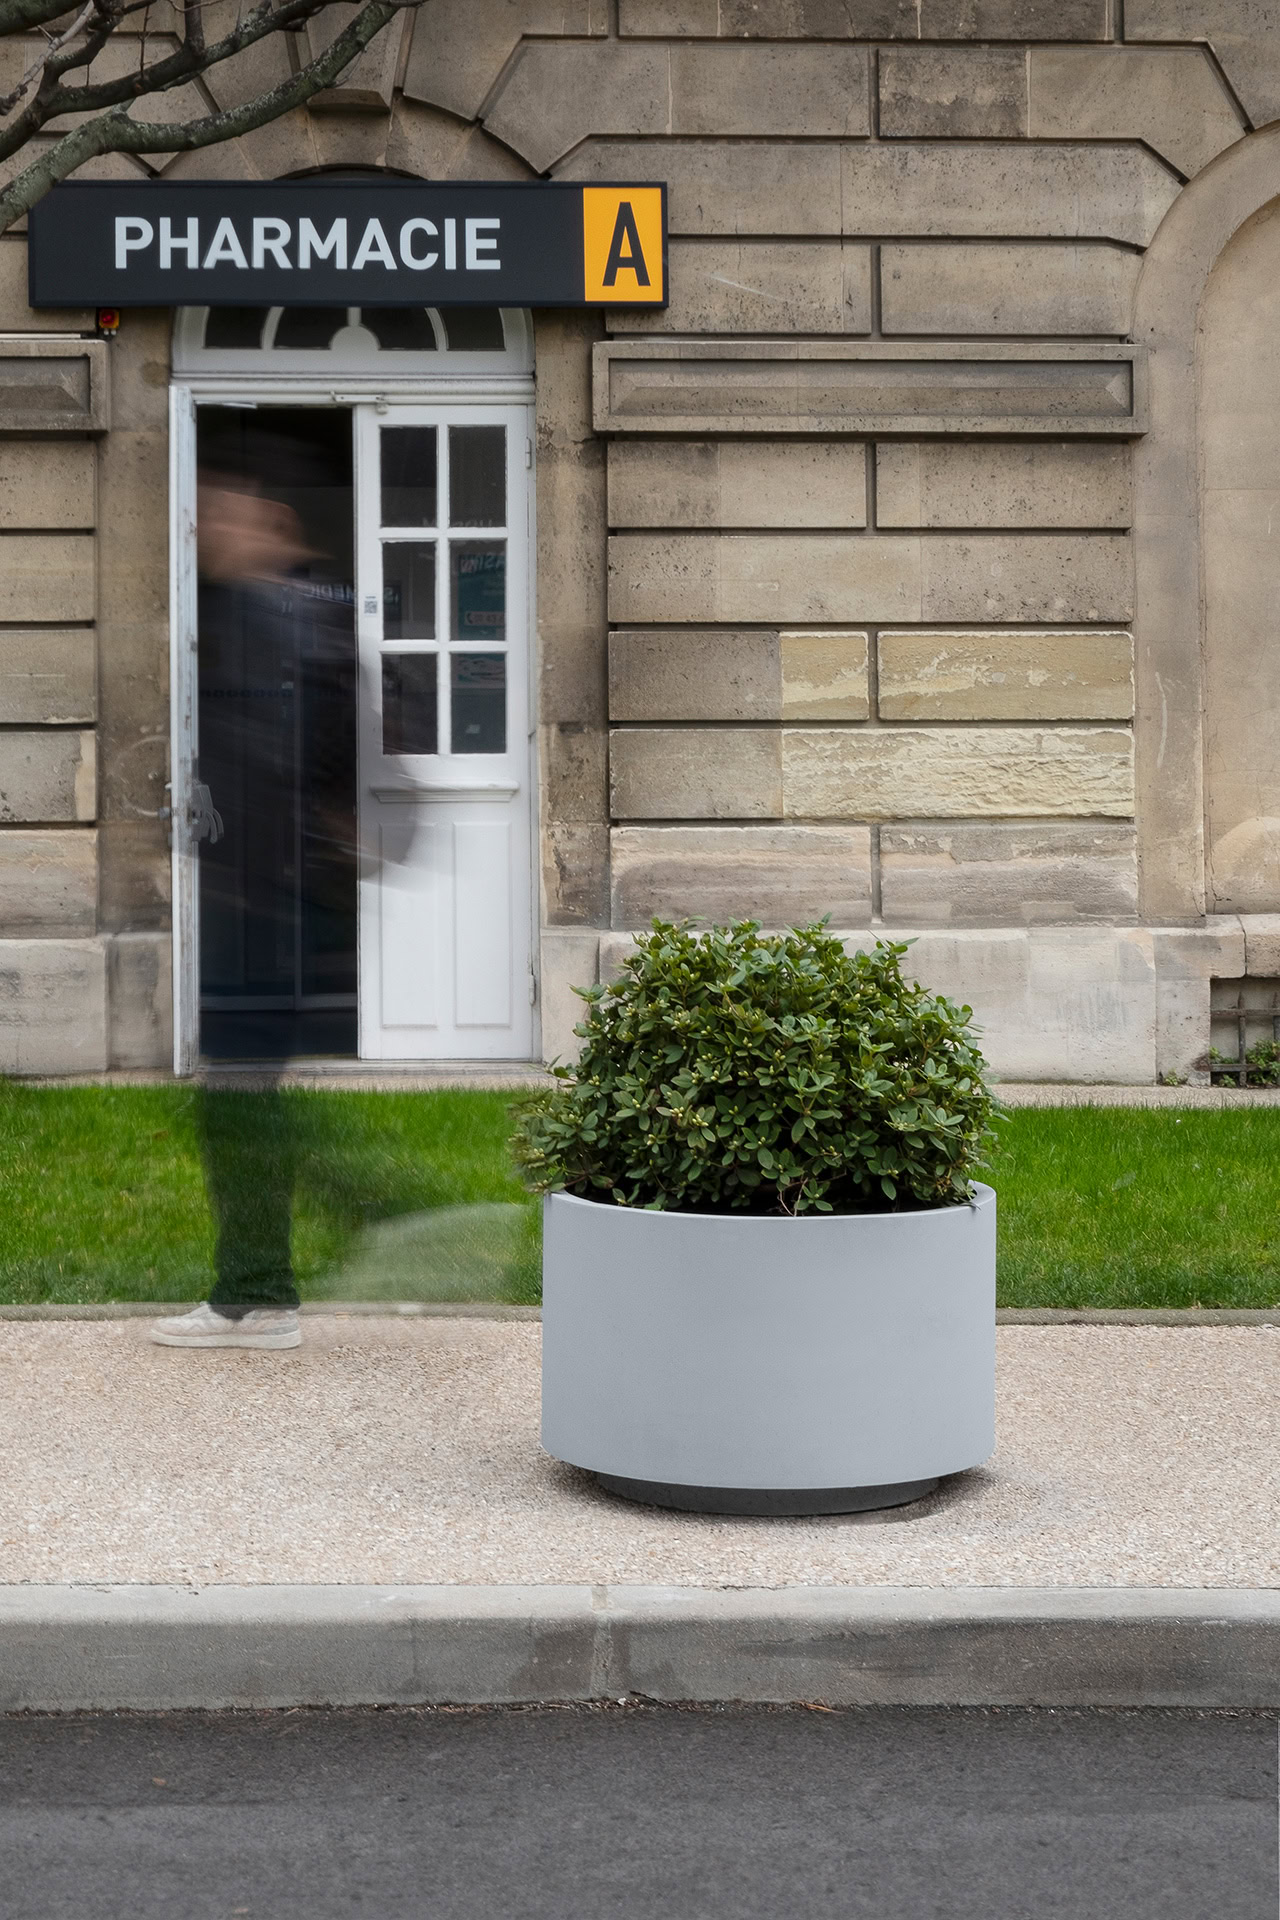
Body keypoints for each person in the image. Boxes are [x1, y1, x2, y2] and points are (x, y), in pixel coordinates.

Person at [151, 464, 358, 1352]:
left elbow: (303, 765)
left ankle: (257, 1294)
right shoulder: (263, 621)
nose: (203, 529)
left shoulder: (287, 626)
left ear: (270, 521)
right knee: (243, 1098)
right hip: (263, 894)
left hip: (265, 904)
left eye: (220, 514)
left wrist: (258, 873)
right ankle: (259, 1287)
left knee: (238, 1101)